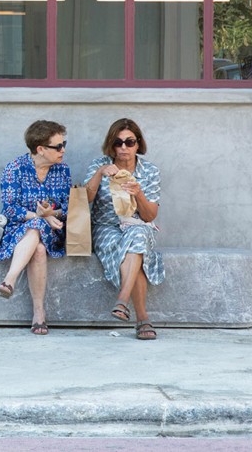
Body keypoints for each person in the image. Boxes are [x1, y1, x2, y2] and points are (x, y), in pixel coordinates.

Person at [84, 117, 164, 341]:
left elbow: (149, 216)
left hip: (138, 224)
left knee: (137, 237)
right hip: (106, 227)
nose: (123, 148)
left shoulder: (149, 171)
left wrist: (138, 194)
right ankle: (142, 318)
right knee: (135, 252)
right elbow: (85, 199)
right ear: (111, 145)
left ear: (138, 144)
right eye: (118, 143)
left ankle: (122, 299)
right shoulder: (100, 164)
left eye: (129, 142)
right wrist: (100, 173)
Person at [0, 120, 72, 336]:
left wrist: (50, 215)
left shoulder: (63, 170)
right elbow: (10, 209)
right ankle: (39, 313)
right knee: (38, 248)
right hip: (18, 232)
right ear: (40, 149)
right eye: (58, 146)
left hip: (54, 232)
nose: (63, 150)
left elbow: (67, 208)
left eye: (64, 144)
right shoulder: (15, 168)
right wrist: (40, 217)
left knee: (38, 229)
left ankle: (10, 279)